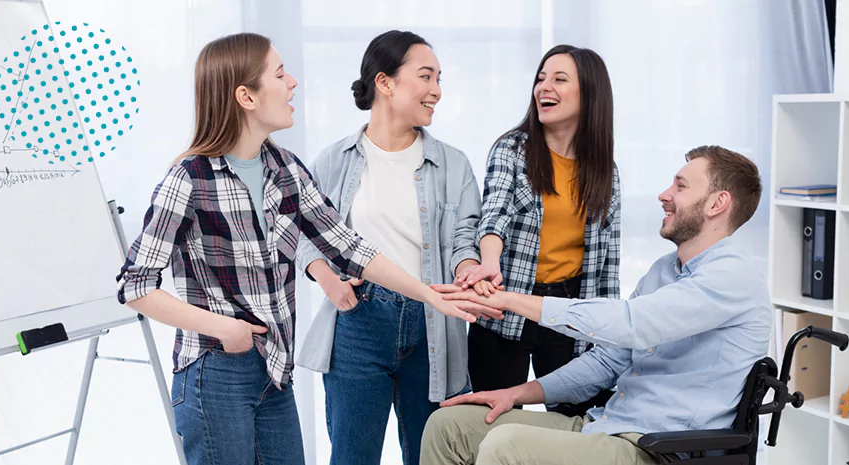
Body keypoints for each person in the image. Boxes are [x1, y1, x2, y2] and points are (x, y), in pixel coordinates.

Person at [115, 32, 499, 465]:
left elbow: (348, 247)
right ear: (246, 96)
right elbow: (135, 285)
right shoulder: (190, 178)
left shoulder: (286, 170)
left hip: (276, 372)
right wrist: (222, 327)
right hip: (214, 371)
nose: (293, 82)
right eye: (279, 74)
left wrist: (429, 293)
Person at [421, 145, 771, 465]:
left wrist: (509, 299)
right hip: (608, 425)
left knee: (506, 446)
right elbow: (610, 358)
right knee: (448, 426)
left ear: (716, 204)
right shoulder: (664, 270)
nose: (664, 195)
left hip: (659, 449)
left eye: (680, 187)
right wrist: (515, 394)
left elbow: (633, 324)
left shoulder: (733, 276)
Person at [295, 30, 484, 465]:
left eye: (439, 79)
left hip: (433, 323)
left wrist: (467, 268)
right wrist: (328, 282)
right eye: (425, 76)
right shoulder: (334, 160)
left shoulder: (453, 164)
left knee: (432, 455)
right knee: (353, 456)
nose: (436, 90)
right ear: (385, 82)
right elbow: (302, 234)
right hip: (359, 320)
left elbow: (463, 238)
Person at [454, 45, 621, 413]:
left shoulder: (605, 171)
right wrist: (489, 263)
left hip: (566, 315)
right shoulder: (512, 150)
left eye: (559, 79)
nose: (544, 87)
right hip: (504, 307)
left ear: (589, 92)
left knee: (573, 427)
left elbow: (608, 264)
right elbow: (494, 213)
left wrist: (609, 332)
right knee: (490, 422)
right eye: (541, 78)